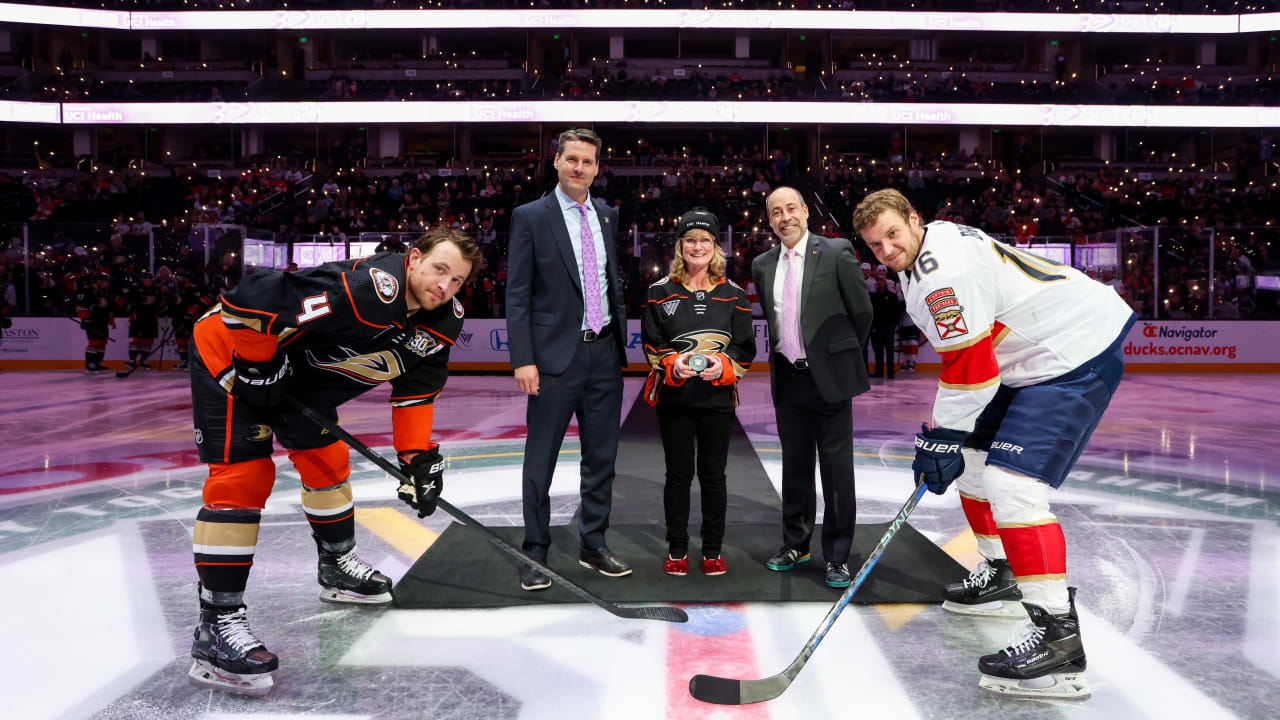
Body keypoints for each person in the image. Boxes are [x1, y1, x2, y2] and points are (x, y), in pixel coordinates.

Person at [853, 188, 1134, 701]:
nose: (888, 250)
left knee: (1012, 487)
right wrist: (949, 440)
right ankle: (1002, 571)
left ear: (915, 220)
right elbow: (971, 360)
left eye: (893, 234)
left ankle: (1058, 640)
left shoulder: (943, 274)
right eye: (876, 245)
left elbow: (972, 369)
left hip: (1071, 349)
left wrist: (940, 436)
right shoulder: (923, 257)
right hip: (1028, 358)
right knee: (975, 463)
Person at [184, 227, 481, 696]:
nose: (445, 286)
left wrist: (418, 458)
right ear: (414, 258)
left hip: (296, 382)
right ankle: (215, 628)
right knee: (243, 478)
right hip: (233, 362)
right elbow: (249, 300)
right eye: (439, 269)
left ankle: (336, 566)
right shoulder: (367, 289)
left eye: (458, 280)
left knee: (327, 462)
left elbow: (415, 393)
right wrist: (260, 365)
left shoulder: (443, 320)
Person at [505, 128, 630, 592]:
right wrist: (523, 358)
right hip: (554, 357)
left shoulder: (607, 214)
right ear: (556, 162)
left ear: (598, 168)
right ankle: (534, 549)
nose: (579, 168)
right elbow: (516, 293)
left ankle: (593, 543)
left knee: (602, 458)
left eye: (588, 161)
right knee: (541, 459)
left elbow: (609, 281)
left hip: (603, 354)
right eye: (571, 159)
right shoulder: (530, 216)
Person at [751, 186, 873, 588]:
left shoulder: (836, 252)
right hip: (788, 379)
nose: (785, 217)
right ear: (769, 220)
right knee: (795, 469)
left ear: (805, 211)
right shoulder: (762, 264)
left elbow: (862, 313)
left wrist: (835, 358)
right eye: (776, 212)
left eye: (791, 208)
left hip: (830, 380)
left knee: (837, 473)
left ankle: (837, 556)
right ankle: (795, 544)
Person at [641, 207, 755, 577]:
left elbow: (744, 348)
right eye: (690, 239)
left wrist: (723, 367)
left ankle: (712, 550)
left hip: (717, 400)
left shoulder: (734, 294)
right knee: (677, 475)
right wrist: (674, 363)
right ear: (679, 246)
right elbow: (652, 344)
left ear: (716, 246)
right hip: (674, 399)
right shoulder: (659, 292)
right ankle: (677, 549)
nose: (697, 246)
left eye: (705, 239)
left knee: (713, 476)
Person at [74, 272, 114, 374]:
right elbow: (80, 307)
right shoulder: (86, 290)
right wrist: (86, 320)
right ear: (98, 281)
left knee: (102, 342)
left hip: (102, 321)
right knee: (94, 342)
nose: (107, 283)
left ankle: (98, 363)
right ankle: (89, 364)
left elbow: (107, 307)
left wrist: (111, 320)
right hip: (92, 321)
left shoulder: (103, 292)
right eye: (105, 281)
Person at [868, 276, 902, 379]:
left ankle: (890, 371)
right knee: (878, 351)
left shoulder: (892, 296)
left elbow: (897, 312)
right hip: (876, 328)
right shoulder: (872, 297)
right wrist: (872, 326)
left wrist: (894, 325)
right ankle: (879, 371)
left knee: (889, 351)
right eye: (877, 280)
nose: (879, 282)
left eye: (881, 280)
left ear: (885, 282)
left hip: (888, 328)